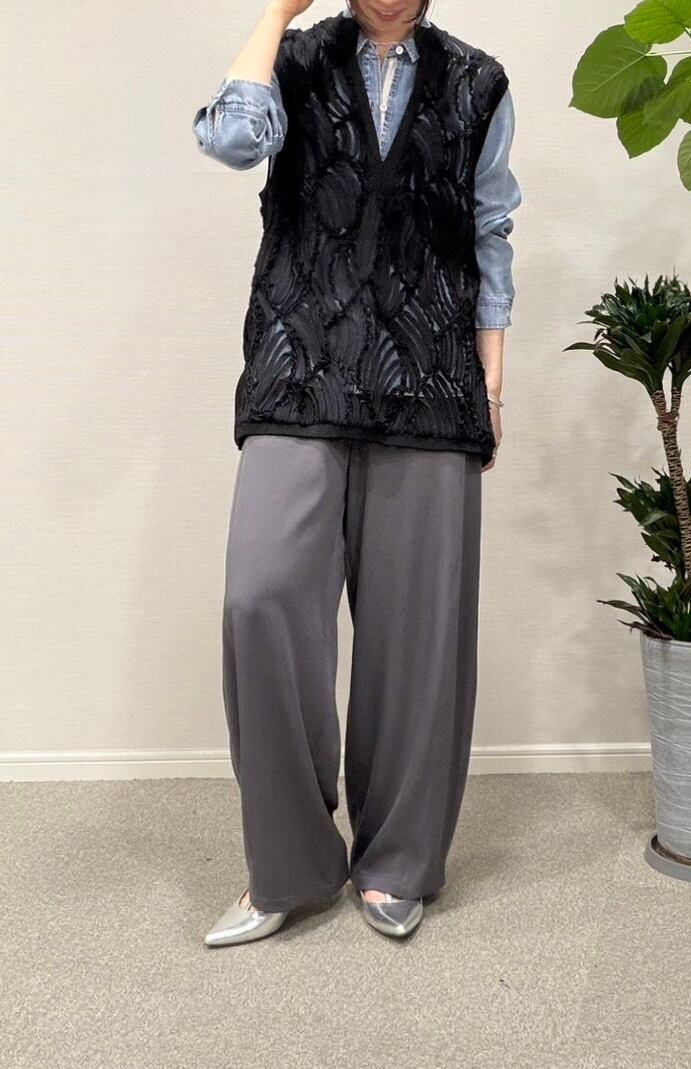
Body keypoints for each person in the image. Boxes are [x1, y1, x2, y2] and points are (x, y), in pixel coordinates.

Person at [192, 0, 521, 945]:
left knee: (419, 633)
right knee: (259, 595)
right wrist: (276, 11)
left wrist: (493, 378)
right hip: (299, 367)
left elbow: (490, 228)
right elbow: (232, 142)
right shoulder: (294, 62)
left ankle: (398, 862)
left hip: (432, 378)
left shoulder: (478, 80)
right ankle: (288, 865)